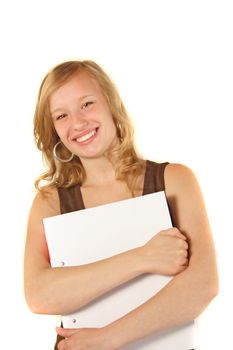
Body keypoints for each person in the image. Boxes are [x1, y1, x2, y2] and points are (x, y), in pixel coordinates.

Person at [24, 60, 218, 350]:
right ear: (53, 130)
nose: (78, 123)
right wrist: (143, 257)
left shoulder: (175, 181)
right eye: (61, 115)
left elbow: (203, 284)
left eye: (87, 104)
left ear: (111, 105)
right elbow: (40, 295)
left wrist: (106, 339)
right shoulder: (50, 202)